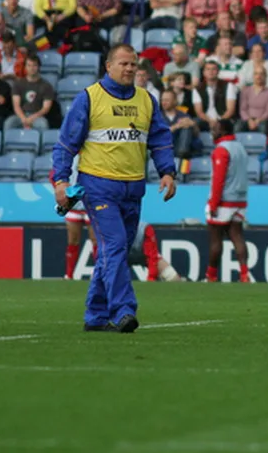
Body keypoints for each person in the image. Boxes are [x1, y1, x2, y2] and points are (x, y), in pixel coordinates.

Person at [52, 44, 178, 333]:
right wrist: (61, 181)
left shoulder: (147, 100)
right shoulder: (89, 98)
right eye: (123, 64)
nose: (129, 69)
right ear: (108, 66)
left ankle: (95, 316)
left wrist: (168, 172)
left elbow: (159, 138)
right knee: (115, 245)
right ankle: (123, 310)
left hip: (133, 189)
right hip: (98, 186)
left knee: (113, 253)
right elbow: (66, 144)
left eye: (133, 64)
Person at [204, 119, 250, 283]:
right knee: (237, 237)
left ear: (223, 131)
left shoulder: (221, 150)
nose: (212, 132)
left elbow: (219, 179)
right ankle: (244, 274)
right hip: (240, 199)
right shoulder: (241, 148)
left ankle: (211, 275)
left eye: (215, 129)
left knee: (215, 239)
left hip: (224, 201)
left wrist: (213, 203)